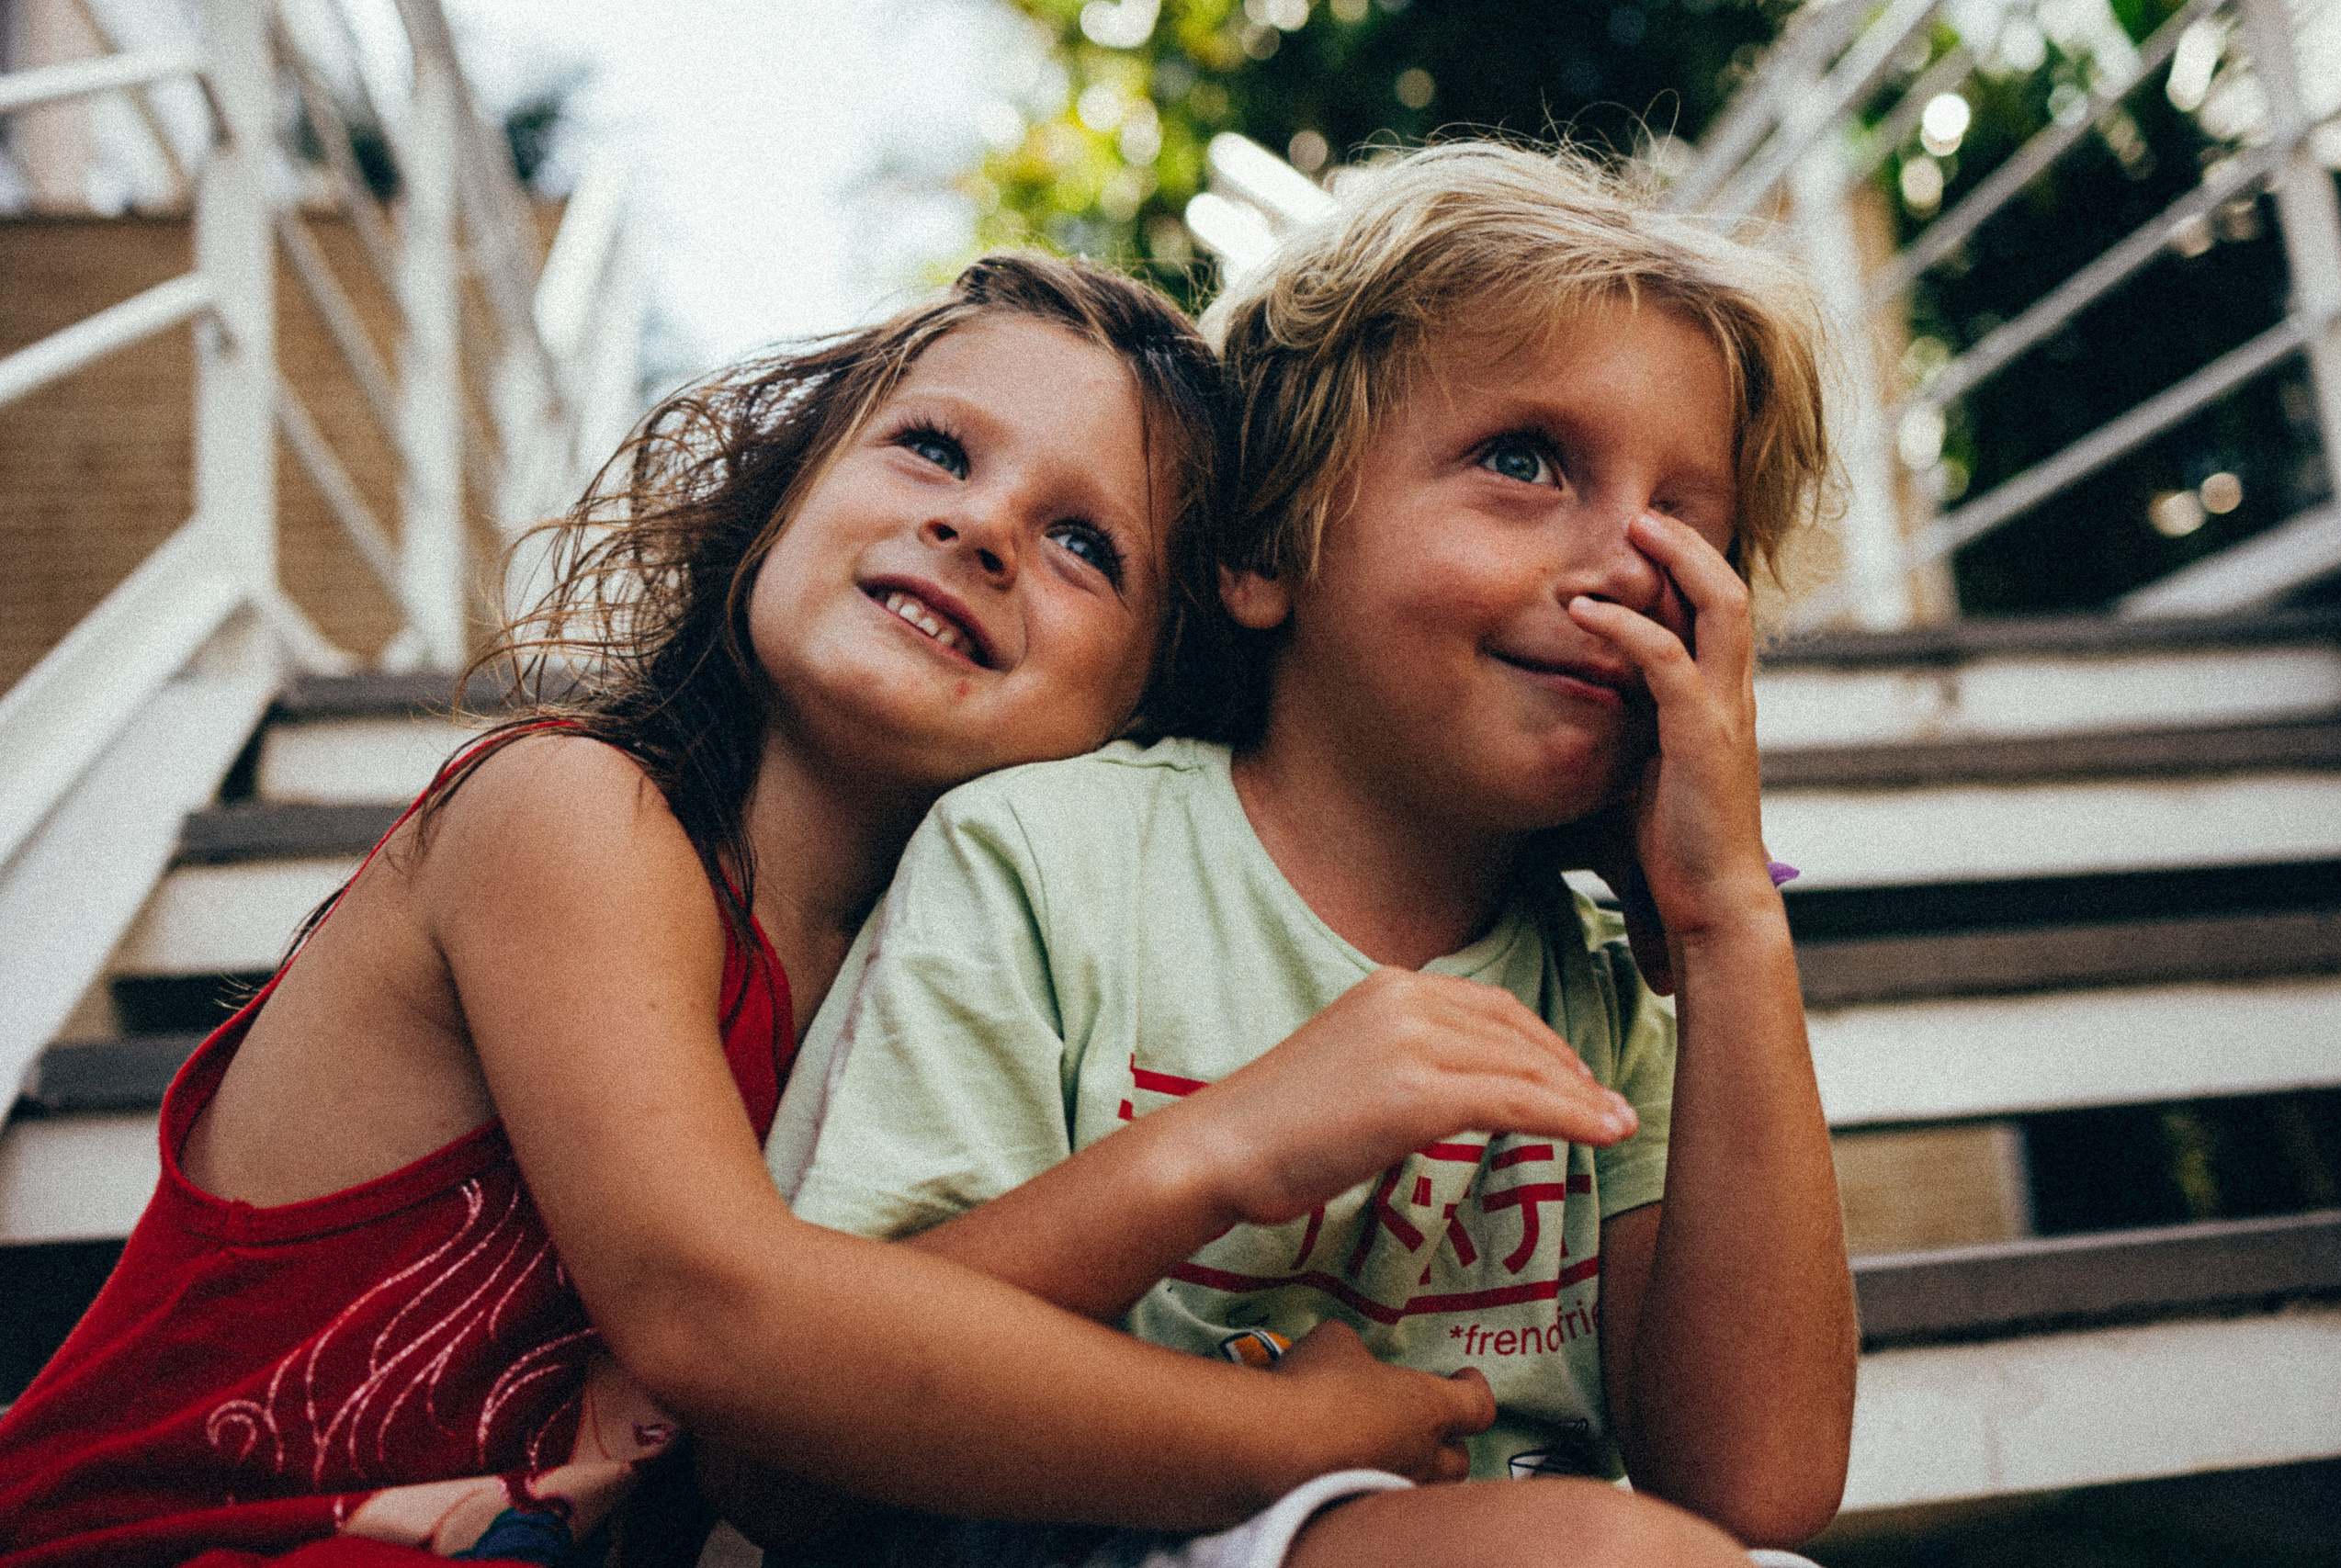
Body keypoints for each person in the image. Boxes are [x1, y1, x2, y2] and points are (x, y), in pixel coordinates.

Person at [0, 254, 1604, 1568]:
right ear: (783, 492)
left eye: (1082, 544)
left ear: (1143, 704)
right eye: (933, 448)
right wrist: (1301, 1427)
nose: (979, 527)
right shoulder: (578, 814)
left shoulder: (965, 1001)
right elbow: (721, 1320)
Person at [768, 143, 1858, 1568]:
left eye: (1685, 519)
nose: (1628, 567)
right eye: (1524, 462)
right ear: (1271, 538)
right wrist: (1226, 1149)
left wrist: (1723, 921)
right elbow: (801, 1437)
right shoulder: (1048, 856)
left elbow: (1757, 1489)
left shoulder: (1606, 986)